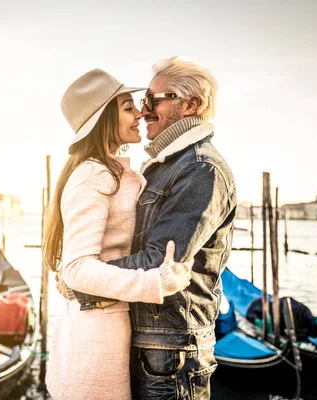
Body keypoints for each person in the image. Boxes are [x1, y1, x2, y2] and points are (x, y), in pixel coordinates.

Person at [61, 56, 237, 400]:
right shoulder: (165, 165)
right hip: (151, 344)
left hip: (170, 349)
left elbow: (160, 259)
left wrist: (80, 283)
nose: (145, 110)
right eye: (140, 103)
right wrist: (81, 274)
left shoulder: (201, 169)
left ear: (190, 105)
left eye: (153, 100)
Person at [43, 68, 194, 400]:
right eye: (128, 108)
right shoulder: (93, 175)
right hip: (96, 339)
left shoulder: (118, 173)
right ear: (103, 120)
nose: (140, 113)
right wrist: (155, 283)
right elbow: (78, 268)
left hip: (115, 328)